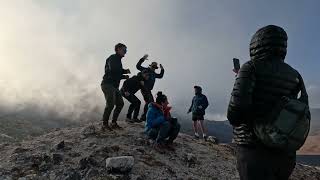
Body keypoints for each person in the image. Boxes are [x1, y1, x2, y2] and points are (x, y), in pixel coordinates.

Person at [227, 25, 309, 180]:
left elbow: (235, 114)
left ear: (256, 44)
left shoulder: (250, 67)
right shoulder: (295, 74)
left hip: (254, 150)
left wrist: (240, 78)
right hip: (285, 152)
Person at [101, 43, 131, 131]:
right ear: (118, 49)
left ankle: (113, 123)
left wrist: (124, 72)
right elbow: (113, 70)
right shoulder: (113, 57)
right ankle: (104, 124)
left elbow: (116, 71)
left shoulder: (118, 59)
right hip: (107, 84)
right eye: (124, 49)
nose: (125, 51)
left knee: (120, 103)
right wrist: (124, 74)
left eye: (126, 50)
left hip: (114, 86)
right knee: (110, 104)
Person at [136, 54, 165, 121]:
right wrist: (142, 59)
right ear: (151, 66)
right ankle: (143, 118)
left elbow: (160, 76)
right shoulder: (146, 70)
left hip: (148, 90)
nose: (154, 68)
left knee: (151, 102)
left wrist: (162, 69)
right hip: (144, 88)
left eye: (155, 67)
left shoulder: (154, 74)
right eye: (153, 66)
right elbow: (138, 66)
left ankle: (145, 117)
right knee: (149, 101)